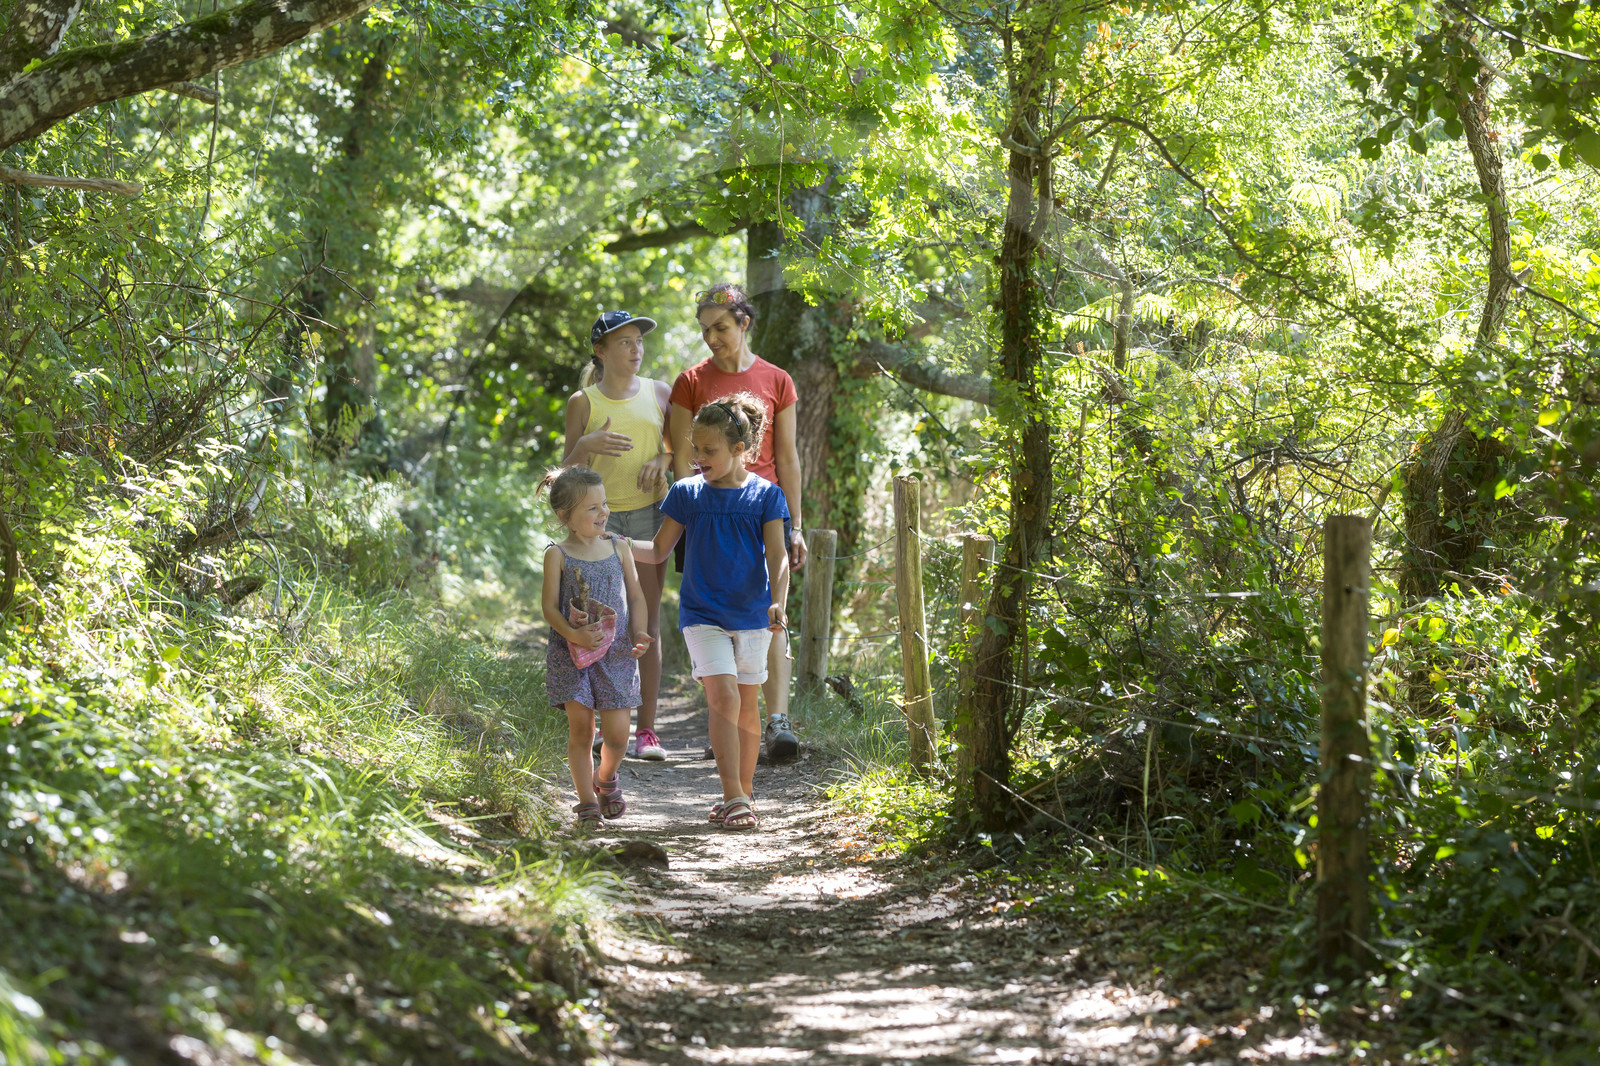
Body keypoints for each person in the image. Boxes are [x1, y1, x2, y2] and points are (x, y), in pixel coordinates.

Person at [632, 394, 789, 830]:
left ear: (740, 450)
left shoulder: (766, 496)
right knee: (723, 697)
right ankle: (733, 795)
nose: (697, 458)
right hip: (701, 613)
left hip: (754, 613)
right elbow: (660, 549)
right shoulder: (686, 493)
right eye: (694, 449)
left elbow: (776, 556)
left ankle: (743, 793)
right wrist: (618, 545)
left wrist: (780, 599)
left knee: (748, 705)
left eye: (708, 451)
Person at [667, 283, 806, 762]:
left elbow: (787, 458)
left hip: (763, 510)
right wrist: (690, 512)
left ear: (743, 323)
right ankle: (724, 721)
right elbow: (683, 457)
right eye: (705, 329)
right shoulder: (690, 381)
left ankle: (777, 719)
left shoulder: (778, 380)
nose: (711, 338)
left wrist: (796, 525)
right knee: (715, 610)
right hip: (708, 513)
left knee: (770, 605)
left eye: (720, 327)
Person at [563, 310, 673, 761]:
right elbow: (564, 478)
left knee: (643, 623)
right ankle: (593, 724)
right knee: (592, 620)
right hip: (596, 523)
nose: (635, 349)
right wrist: (585, 448)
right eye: (624, 342)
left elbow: (680, 452)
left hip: (649, 517)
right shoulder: (583, 402)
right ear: (600, 351)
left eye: (638, 341)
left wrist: (663, 462)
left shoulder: (660, 393)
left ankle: (646, 731)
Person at [539, 465, 653, 830]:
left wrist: (640, 631)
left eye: (604, 505)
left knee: (618, 737)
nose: (603, 513)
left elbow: (635, 595)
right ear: (565, 517)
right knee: (582, 730)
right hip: (572, 655)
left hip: (617, 651)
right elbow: (548, 609)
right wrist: (575, 636)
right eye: (592, 508)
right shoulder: (557, 554)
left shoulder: (619, 547)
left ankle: (605, 777)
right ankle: (586, 801)